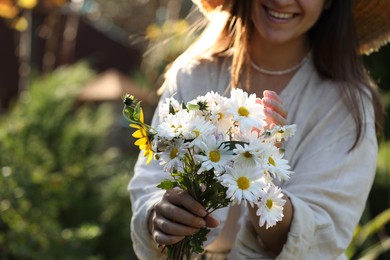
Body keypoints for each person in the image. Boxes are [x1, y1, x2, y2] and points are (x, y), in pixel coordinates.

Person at [128, 0, 390, 259]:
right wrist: (158, 215)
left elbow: (318, 239)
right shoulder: (193, 74)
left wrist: (259, 166)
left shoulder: (345, 105)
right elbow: (149, 180)